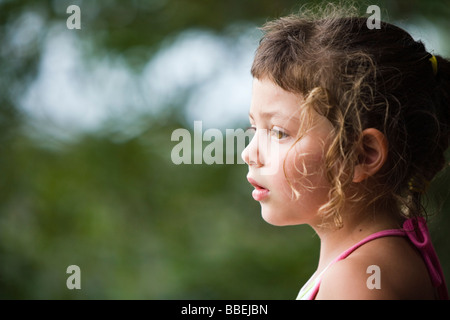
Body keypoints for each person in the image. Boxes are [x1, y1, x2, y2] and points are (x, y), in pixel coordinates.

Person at [241, 5, 449, 300]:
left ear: (363, 155)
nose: (249, 154)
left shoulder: (356, 279)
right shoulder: (385, 259)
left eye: (278, 132)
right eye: (253, 129)